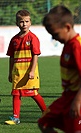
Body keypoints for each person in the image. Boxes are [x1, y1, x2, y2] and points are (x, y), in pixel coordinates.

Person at [38, 5, 81, 133]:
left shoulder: (76, 46)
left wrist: (78, 101)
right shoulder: (68, 44)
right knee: (44, 123)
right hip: (66, 97)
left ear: (67, 27)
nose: (54, 38)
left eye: (55, 34)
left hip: (76, 97)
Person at [5, 9, 47, 125]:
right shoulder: (14, 40)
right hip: (17, 72)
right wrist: (10, 73)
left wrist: (32, 70)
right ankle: (15, 117)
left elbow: (35, 55)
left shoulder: (33, 38)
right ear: (17, 23)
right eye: (21, 22)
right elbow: (11, 58)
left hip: (29, 72)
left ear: (30, 22)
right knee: (16, 93)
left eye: (26, 21)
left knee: (33, 93)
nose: (24, 24)